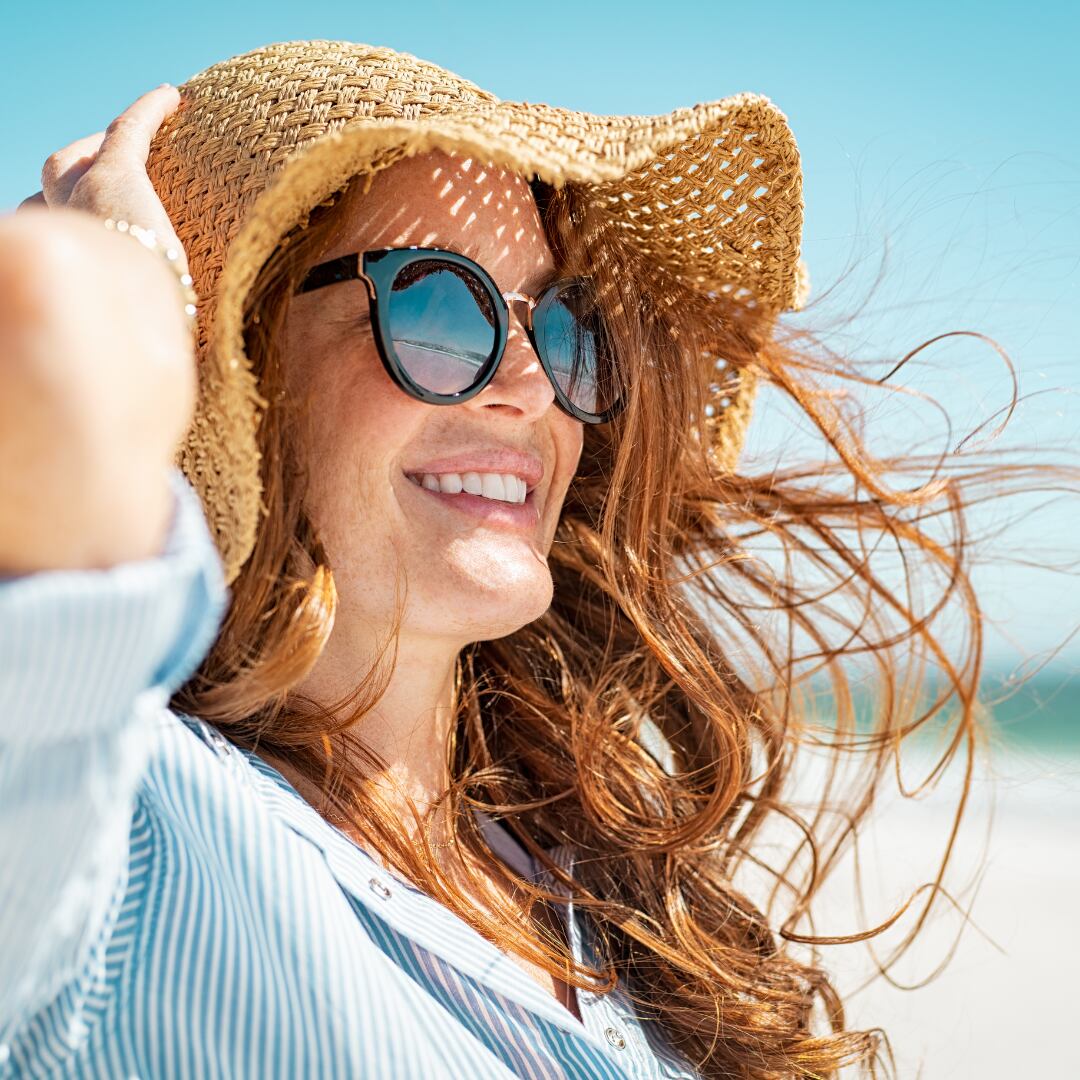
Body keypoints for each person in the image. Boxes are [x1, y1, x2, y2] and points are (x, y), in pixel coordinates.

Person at [0, 40, 1065, 1080]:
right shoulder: (116, 838)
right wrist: (128, 282)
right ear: (236, 358)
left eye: (565, 326)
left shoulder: (592, 882)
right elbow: (40, 321)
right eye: (432, 303)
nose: (532, 385)